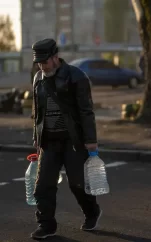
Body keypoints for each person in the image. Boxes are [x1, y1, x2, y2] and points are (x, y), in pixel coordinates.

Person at [31, 38, 101, 239]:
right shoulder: (38, 78)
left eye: (45, 61)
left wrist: (91, 140)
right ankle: (46, 225)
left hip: (73, 140)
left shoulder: (76, 76)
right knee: (43, 186)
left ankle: (91, 211)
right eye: (39, 63)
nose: (42, 66)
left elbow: (86, 111)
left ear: (55, 57)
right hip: (49, 142)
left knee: (77, 184)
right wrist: (36, 136)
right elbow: (37, 111)